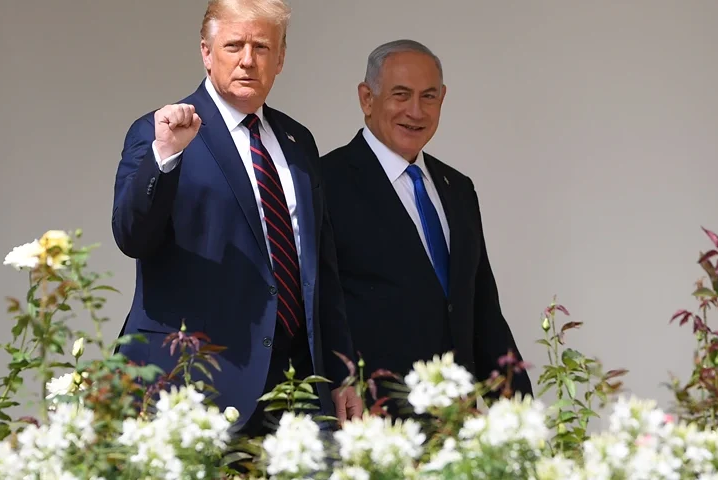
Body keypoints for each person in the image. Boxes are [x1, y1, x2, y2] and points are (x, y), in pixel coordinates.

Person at [111, 0, 362, 436]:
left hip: (298, 388)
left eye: (262, 47)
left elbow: (321, 270)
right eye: (234, 46)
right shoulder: (163, 132)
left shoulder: (297, 141)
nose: (248, 60)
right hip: (197, 385)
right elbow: (132, 236)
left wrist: (341, 372)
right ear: (206, 53)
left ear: (281, 58)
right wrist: (165, 156)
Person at [320, 39, 533, 417]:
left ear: (443, 99)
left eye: (429, 97)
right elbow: (318, 313)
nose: (415, 111)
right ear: (367, 98)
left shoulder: (458, 188)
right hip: (373, 423)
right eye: (401, 95)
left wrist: (519, 415)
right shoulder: (324, 183)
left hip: (457, 424)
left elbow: (482, 312)